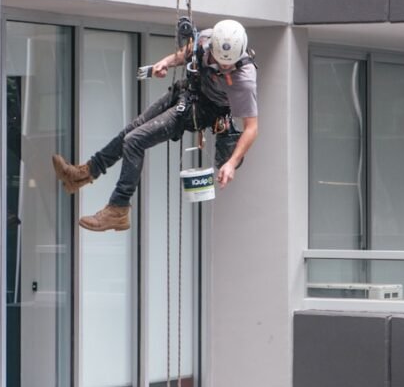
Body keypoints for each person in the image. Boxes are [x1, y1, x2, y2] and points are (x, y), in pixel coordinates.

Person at [52, 19, 258, 232]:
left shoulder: (244, 79)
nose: (224, 67)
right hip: (187, 93)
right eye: (219, 62)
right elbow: (186, 53)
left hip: (203, 112)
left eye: (228, 65)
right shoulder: (206, 39)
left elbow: (251, 127)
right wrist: (166, 63)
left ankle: (118, 208)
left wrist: (231, 163)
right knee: (130, 132)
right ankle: (83, 174)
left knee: (135, 141)